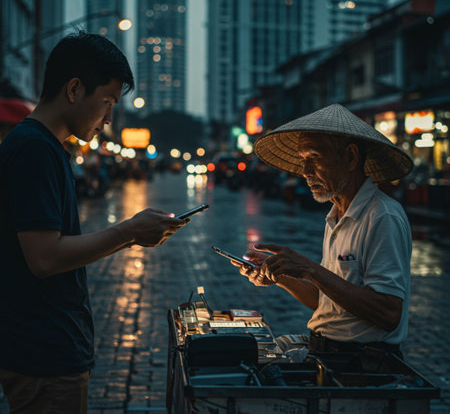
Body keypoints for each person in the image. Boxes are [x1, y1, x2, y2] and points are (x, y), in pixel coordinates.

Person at [0, 32, 188, 413]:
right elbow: (45, 257)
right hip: (44, 356)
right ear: (73, 89)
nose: (109, 117)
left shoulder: (47, 147)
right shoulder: (34, 149)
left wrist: (130, 234)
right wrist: (129, 231)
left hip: (47, 348)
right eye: (106, 102)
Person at [232, 104, 413, 358]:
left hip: (362, 363)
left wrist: (309, 268)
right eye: (303, 161)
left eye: (314, 158)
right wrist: (278, 274)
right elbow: (326, 300)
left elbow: (388, 313)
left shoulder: (382, 216)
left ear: (350, 158)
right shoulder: (336, 215)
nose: (305, 172)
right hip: (329, 353)